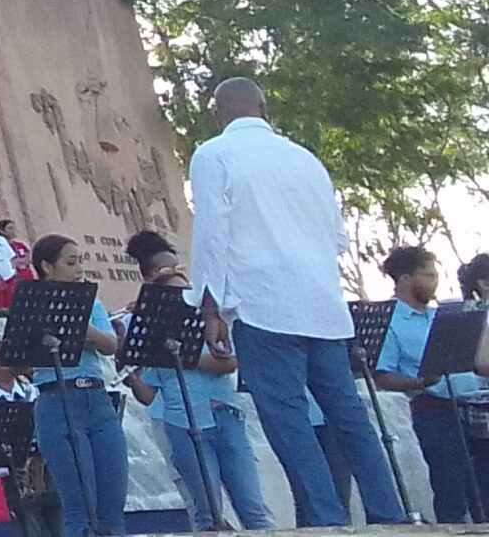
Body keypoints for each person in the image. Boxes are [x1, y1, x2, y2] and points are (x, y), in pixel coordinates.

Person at [187, 76, 407, 526]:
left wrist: (211, 309)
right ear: (264, 109)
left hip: (262, 303)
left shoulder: (214, 154)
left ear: (218, 112)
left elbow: (212, 235)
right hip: (323, 306)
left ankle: (326, 518)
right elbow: (339, 239)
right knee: (350, 416)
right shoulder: (305, 159)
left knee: (287, 419)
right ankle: (390, 515)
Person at [119, 234, 271, 531]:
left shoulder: (208, 317)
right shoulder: (148, 327)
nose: (181, 287)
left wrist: (179, 354)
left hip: (225, 413)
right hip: (182, 421)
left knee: (253, 510)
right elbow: (149, 396)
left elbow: (228, 363)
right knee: (206, 512)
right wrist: (132, 373)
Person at [19, 234, 127, 537]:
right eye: (71, 262)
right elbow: (14, 359)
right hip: (56, 397)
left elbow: (109, 345)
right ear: (47, 266)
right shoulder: (31, 304)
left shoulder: (91, 302)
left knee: (112, 504)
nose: (80, 268)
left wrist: (77, 320)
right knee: (79, 506)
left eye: (81, 260)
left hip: (97, 398)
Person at [374, 244, 489, 523]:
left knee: (484, 487)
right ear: (405, 279)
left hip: (474, 405)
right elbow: (382, 376)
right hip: (433, 407)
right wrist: (419, 381)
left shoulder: (444, 315)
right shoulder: (392, 321)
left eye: (435, 275)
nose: (434, 281)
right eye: (427, 275)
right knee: (450, 484)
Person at [0, 339, 57, 537]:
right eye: (1, 359)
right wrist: (9, 468)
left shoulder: (35, 393)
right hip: (15, 481)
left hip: (49, 473)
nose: (11, 362)